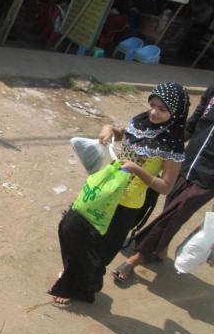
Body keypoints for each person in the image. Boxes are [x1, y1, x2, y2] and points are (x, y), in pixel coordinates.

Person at [48, 82, 190, 304]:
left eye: (162, 109)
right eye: (152, 105)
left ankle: (78, 286)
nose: (154, 112)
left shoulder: (173, 145)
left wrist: (136, 169)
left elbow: (165, 186)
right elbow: (122, 133)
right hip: (106, 191)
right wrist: (108, 129)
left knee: (100, 251)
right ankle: (74, 273)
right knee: (71, 227)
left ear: (176, 112)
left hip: (128, 205)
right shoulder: (141, 121)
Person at [113, 84, 214, 283]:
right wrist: (160, 140)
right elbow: (192, 123)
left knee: (176, 212)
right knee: (170, 208)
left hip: (209, 176)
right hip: (186, 162)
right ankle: (159, 248)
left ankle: (136, 258)